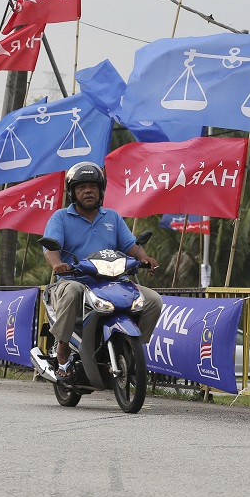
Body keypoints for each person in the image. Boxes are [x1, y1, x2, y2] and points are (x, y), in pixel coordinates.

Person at [42, 161, 163, 378]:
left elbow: (131, 246)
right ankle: (62, 347)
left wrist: (144, 258)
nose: (88, 191)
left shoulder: (112, 217)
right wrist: (57, 264)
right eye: (81, 187)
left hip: (113, 282)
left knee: (153, 300)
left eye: (93, 187)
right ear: (72, 192)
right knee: (72, 292)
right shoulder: (60, 217)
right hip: (75, 279)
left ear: (101, 191)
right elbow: (50, 249)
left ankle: (133, 346)